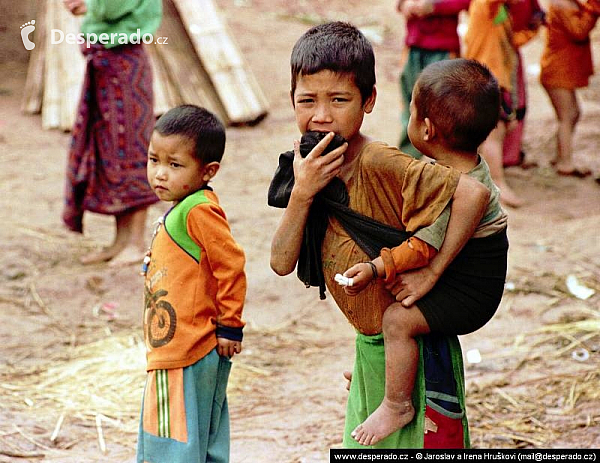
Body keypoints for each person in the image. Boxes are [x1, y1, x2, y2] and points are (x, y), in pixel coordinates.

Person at [269, 22, 493, 449]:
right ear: (291, 101)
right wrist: (302, 193)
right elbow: (281, 263)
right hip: (373, 348)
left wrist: (432, 272)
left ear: (368, 101)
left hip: (416, 351)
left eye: (339, 100)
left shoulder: (380, 162)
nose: (320, 115)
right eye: (307, 100)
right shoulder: (306, 169)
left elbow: (471, 192)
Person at [341, 59, 509, 446]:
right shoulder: (456, 168)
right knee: (392, 297)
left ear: (426, 128)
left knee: (399, 319)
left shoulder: (447, 191)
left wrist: (375, 265)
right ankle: (380, 371)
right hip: (467, 276)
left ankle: (397, 402)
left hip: (469, 292)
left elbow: (420, 248)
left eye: (411, 112)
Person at [136, 105, 246, 463]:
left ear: (208, 171)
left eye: (175, 165)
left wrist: (231, 324)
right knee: (201, 438)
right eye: (154, 160)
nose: (160, 174)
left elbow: (230, 264)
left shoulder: (197, 209)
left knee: (170, 441)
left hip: (183, 351)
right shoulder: (188, 205)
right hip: (190, 348)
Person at [62, 0, 162, 265]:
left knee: (132, 148)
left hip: (125, 62)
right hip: (110, 63)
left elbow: (112, 7)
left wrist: (87, 5)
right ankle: (121, 241)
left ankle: (137, 242)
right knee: (112, 150)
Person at [464, 0, 523, 207]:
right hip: (486, 78)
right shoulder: (486, 4)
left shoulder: (501, 10)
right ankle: (497, 183)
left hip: (494, 77)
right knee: (493, 134)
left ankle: (485, 179)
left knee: (493, 132)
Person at [396, 0, 470, 159]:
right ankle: (408, 157)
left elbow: (467, 3)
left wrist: (435, 6)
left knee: (443, 105)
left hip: (443, 49)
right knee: (411, 100)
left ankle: (449, 159)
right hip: (414, 47)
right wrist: (404, 5)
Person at [540, 0, 598, 177]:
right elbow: (579, 31)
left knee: (573, 113)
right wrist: (594, 7)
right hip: (558, 71)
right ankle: (565, 163)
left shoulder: (569, 4)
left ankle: (560, 157)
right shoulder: (561, 5)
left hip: (562, 71)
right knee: (567, 116)